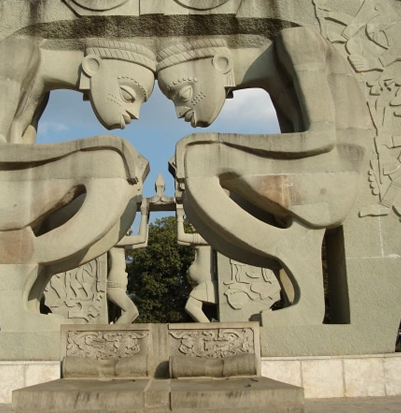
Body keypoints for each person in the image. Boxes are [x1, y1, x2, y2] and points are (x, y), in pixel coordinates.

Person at [157, 28, 373, 325]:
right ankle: (299, 291)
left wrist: (213, 144)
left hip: (335, 172)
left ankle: (299, 274)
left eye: (183, 94)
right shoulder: (277, 77)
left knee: (200, 158)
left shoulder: (296, 42)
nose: (180, 111)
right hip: (319, 172)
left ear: (221, 63)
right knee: (195, 184)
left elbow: (322, 136)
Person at [0, 35, 156, 331]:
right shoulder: (16, 55)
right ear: (92, 66)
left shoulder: (39, 87)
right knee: (107, 163)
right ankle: (21, 281)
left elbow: (21, 156)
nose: (134, 113)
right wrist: (92, 147)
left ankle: (26, 294)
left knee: (128, 193)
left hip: (4, 185)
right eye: (127, 94)